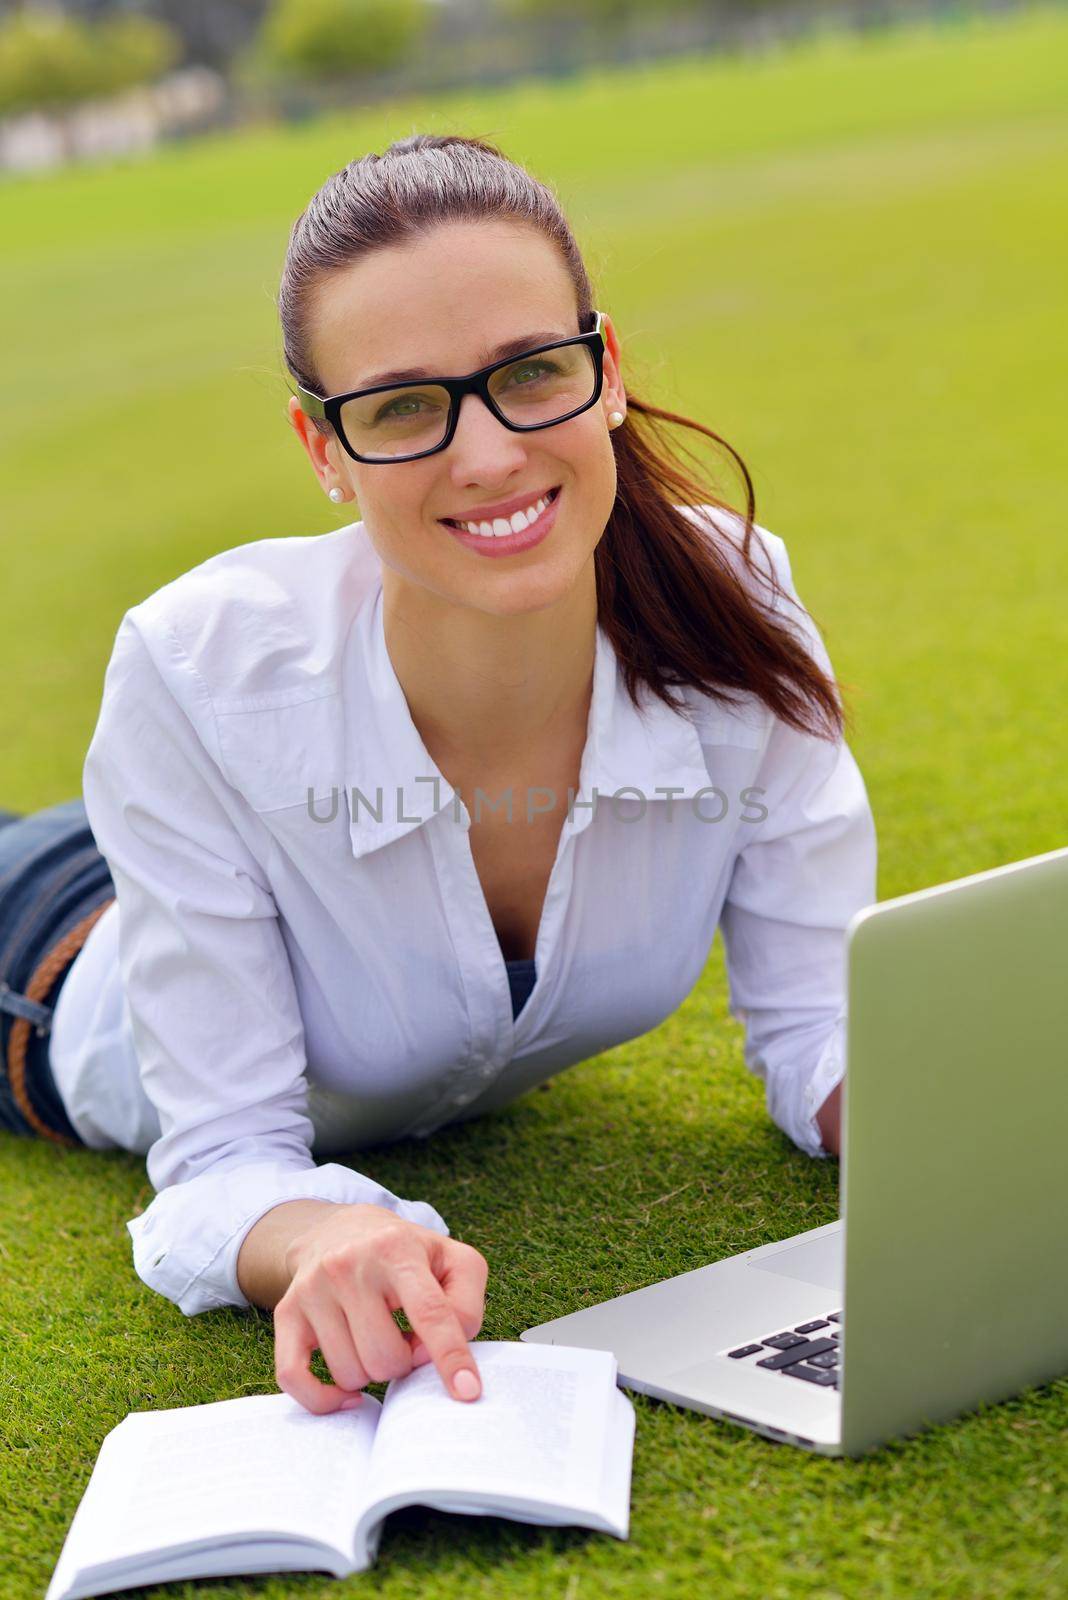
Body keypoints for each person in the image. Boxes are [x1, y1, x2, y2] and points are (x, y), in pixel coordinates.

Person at [0, 132, 876, 1419]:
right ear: (323, 450)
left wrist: (940, 1114)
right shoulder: (194, 669)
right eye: (404, 406)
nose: (487, 455)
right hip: (52, 950)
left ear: (607, 371)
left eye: (530, 372)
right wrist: (320, 1240)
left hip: (179, 855)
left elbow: (820, 1024)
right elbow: (223, 1160)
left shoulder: (737, 607)